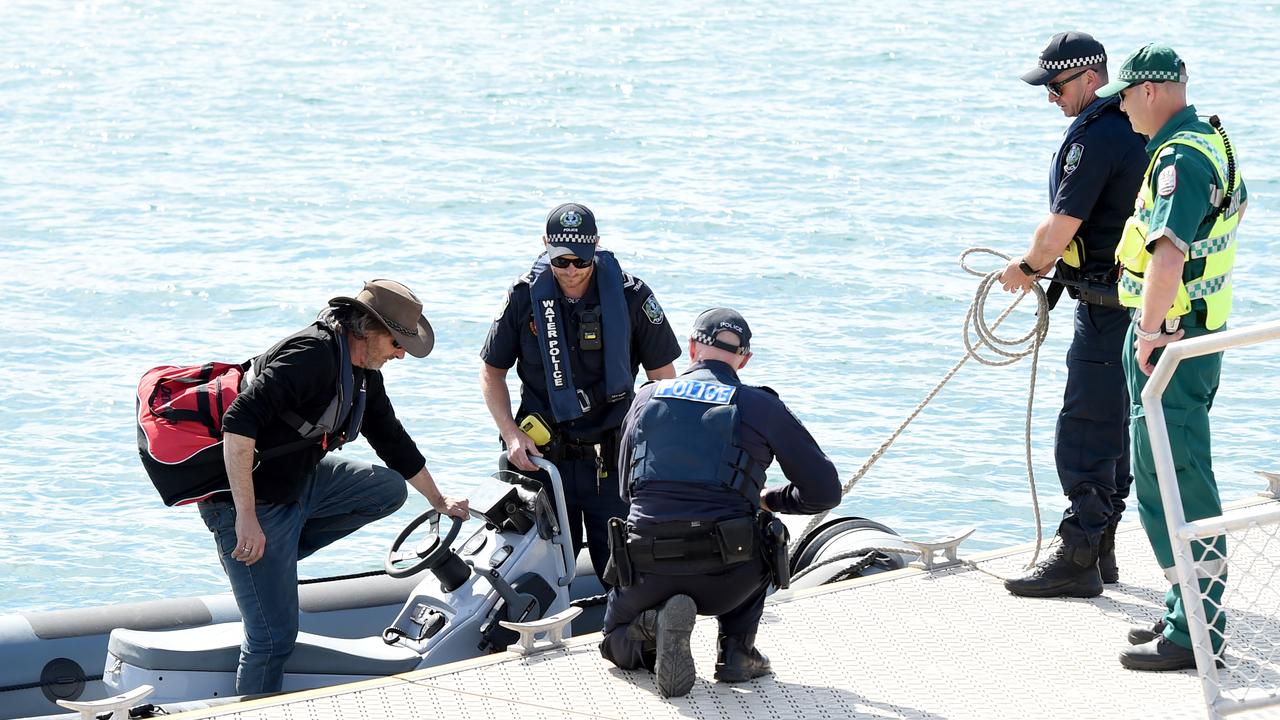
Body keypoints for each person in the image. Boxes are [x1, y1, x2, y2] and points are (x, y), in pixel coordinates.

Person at [204, 279, 470, 694]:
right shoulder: (311, 356)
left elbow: (392, 439)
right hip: (250, 499)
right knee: (272, 638)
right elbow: (238, 423)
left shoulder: (362, 373)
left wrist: (438, 499)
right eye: (397, 342)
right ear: (367, 329)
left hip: (300, 481)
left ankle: (275, 553)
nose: (401, 354)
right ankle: (262, 558)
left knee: (387, 489)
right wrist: (247, 516)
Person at [599, 308, 841, 697]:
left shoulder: (645, 398)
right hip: (731, 576)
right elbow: (825, 492)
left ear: (692, 348)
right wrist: (769, 500)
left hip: (648, 569)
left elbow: (627, 491)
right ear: (744, 359)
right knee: (759, 532)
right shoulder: (762, 407)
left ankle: (650, 625)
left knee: (614, 643)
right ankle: (736, 652)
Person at [1097, 43, 1245, 671]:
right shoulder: (1211, 141)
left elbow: (1169, 253)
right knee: (1168, 472)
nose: (1123, 108)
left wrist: (1150, 332)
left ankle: (1196, 629)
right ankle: (1183, 606)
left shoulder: (1180, 158)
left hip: (1172, 344)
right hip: (1191, 338)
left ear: (1152, 91)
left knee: (1173, 482)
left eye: (1126, 95)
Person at [999, 32, 1148, 598]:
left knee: (1085, 429)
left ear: (1091, 78)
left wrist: (1026, 268)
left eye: (1056, 86)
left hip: (1106, 307)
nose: (1051, 97)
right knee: (1117, 426)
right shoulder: (1136, 127)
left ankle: (1078, 555)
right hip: (1139, 304)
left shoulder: (1094, 137)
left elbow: (1060, 230)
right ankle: (1102, 547)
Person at [480, 203, 681, 584]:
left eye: (581, 261)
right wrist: (510, 434)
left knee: (626, 571)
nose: (571, 270)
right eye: (561, 261)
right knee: (538, 574)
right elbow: (492, 372)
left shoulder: (632, 295)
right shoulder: (524, 295)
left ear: (597, 248)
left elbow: (663, 381)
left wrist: (655, 449)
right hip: (542, 461)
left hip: (612, 462)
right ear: (545, 246)